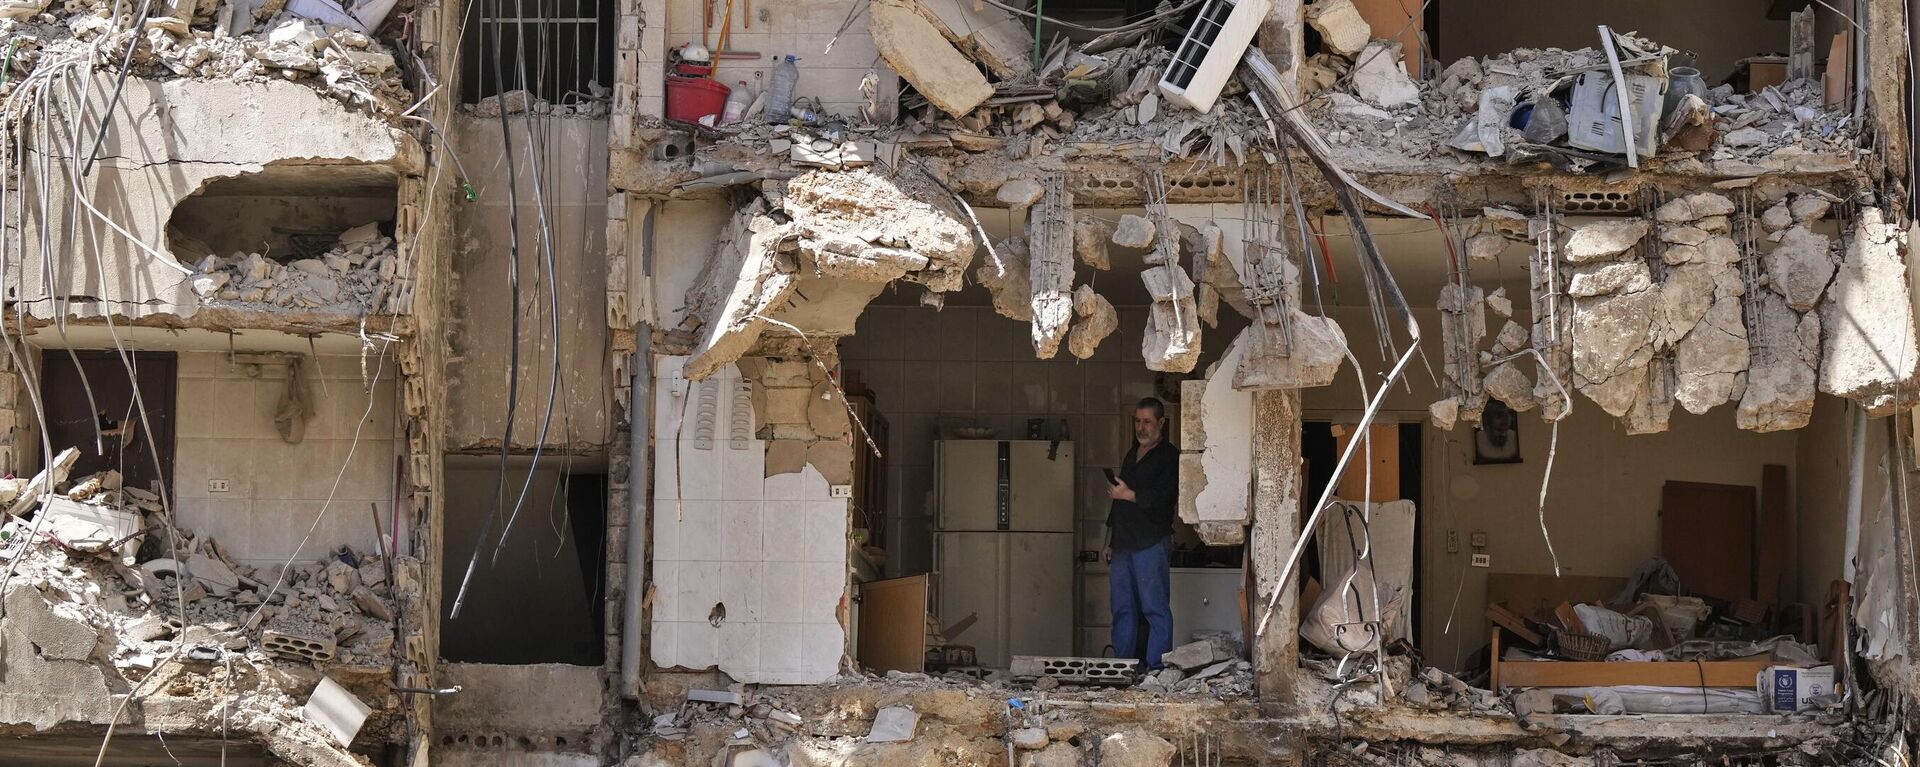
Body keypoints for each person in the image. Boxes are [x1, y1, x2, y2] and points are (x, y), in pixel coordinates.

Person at [1105, 397, 1178, 670]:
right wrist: (1108, 541)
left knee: (1154, 608)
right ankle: (1123, 667)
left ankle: (1157, 669)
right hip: (1123, 542)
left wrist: (1129, 494)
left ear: (1161, 423)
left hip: (1151, 540)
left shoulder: (1169, 456)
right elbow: (1118, 503)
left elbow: (1163, 498)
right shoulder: (1132, 453)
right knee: (1122, 609)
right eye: (1137, 421)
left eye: (1147, 421)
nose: (1141, 427)